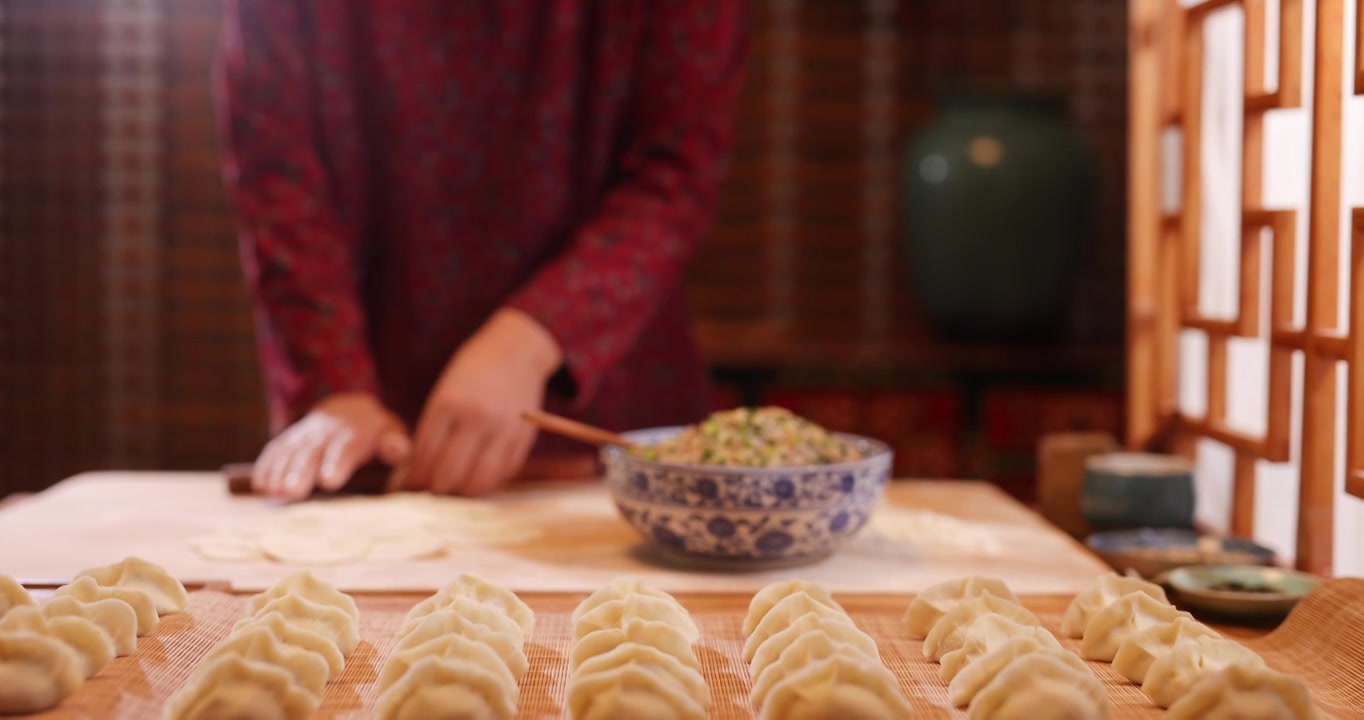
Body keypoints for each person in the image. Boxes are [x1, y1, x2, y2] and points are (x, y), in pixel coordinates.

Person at [216, 1, 748, 501]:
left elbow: (676, 169)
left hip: (600, 416)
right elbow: (278, 178)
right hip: (371, 414)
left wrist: (534, 338)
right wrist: (334, 383)